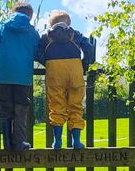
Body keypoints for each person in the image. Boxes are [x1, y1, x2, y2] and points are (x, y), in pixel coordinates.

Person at [35, 10, 95, 149]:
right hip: (74, 71)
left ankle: (57, 141)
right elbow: (89, 49)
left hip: (55, 73)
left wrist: (48, 63)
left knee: (56, 105)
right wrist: (83, 64)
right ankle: (77, 141)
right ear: (69, 23)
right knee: (76, 105)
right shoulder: (75, 34)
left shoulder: (46, 37)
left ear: (51, 23)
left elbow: (37, 53)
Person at [0, 0, 40, 150]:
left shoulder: (3, 27)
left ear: (13, 12)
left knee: (5, 108)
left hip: (3, 74)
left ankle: (7, 143)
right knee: (21, 108)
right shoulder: (31, 31)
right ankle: (19, 142)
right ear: (29, 15)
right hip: (23, 76)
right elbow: (37, 52)